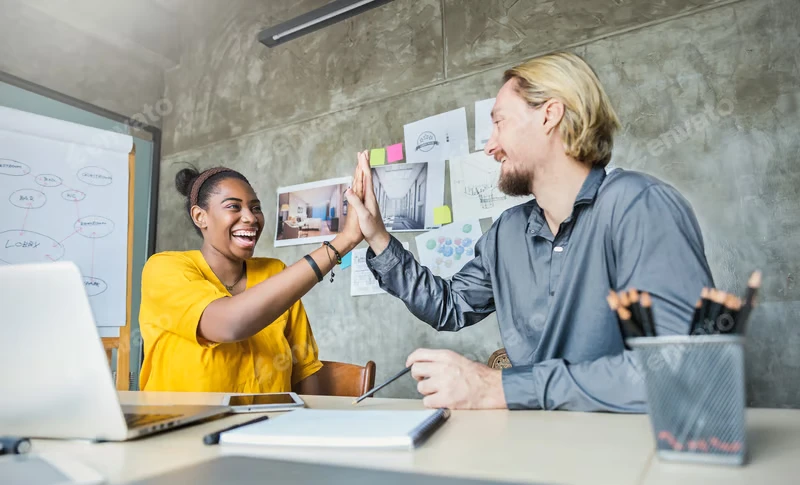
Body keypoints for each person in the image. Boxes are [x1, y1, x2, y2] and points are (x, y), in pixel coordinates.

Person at [343, 51, 714, 412]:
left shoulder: (638, 205)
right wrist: (377, 236)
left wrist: (500, 387)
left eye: (500, 123)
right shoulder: (507, 232)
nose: (490, 147)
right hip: (534, 442)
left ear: (549, 115)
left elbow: (682, 365)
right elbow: (450, 307)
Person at [138, 163, 366, 393]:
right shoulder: (164, 268)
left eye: (256, 208)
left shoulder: (274, 272)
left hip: (272, 417)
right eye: (233, 207)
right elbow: (229, 324)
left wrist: (308, 417)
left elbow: (304, 368)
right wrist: (344, 241)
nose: (250, 217)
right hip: (184, 418)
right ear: (200, 216)